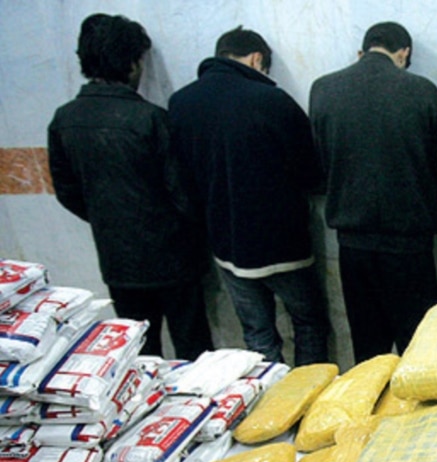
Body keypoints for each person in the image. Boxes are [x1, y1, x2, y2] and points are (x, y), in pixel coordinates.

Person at [48, 13, 213, 361]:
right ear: (131, 62)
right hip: (172, 259)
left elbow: (66, 191)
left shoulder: (65, 119)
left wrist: (107, 217)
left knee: (139, 354)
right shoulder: (150, 119)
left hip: (117, 260)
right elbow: (182, 195)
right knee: (194, 354)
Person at [168, 26, 330, 366]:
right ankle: (308, 405)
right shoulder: (272, 101)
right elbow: (311, 174)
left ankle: (269, 407)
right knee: (309, 324)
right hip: (284, 245)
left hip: (227, 246)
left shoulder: (181, 103)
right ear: (257, 59)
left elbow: (181, 180)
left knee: (257, 333)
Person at [308, 22, 437, 363]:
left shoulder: (323, 89)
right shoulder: (422, 91)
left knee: (368, 351)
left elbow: (321, 161)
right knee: (418, 351)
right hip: (410, 245)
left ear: (362, 51)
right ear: (404, 53)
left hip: (353, 244)